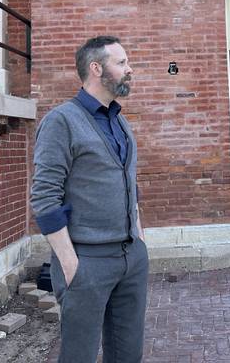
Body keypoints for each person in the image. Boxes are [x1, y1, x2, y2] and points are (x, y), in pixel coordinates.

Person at [31, 36, 148, 363]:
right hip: (87, 261)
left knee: (128, 355)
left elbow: (129, 180)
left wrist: (138, 236)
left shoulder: (119, 121)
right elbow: (44, 197)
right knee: (78, 356)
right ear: (97, 68)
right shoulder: (61, 121)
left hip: (130, 257)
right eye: (121, 62)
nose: (130, 69)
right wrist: (70, 264)